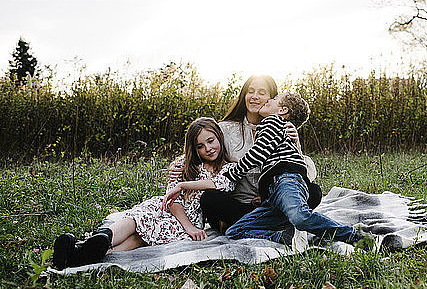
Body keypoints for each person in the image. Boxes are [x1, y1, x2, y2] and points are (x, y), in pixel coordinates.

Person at [52, 117, 235, 270]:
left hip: (189, 220)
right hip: (166, 207)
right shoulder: (183, 164)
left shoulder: (229, 168)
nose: (207, 149)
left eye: (210, 141)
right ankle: (102, 238)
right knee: (138, 218)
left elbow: (220, 185)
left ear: (219, 137)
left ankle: (82, 254)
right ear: (193, 149)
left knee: (143, 238)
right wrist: (179, 188)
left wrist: (189, 221)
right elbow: (173, 199)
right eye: (200, 146)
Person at [167, 75, 322, 233]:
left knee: (314, 191)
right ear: (244, 95)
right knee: (209, 198)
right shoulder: (225, 128)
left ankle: (255, 223)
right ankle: (274, 222)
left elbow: (300, 171)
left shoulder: (284, 128)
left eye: (262, 92)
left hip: (273, 200)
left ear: (271, 99)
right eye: (251, 91)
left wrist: (297, 145)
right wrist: (179, 164)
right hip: (237, 202)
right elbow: (203, 145)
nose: (255, 97)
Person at [224, 92, 364, 245]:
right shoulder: (279, 127)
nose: (269, 100)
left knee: (300, 217)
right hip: (273, 194)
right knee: (235, 231)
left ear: (282, 110)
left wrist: (231, 174)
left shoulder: (272, 122)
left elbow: (258, 153)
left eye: (274, 99)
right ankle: (285, 237)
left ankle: (355, 236)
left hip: (287, 179)